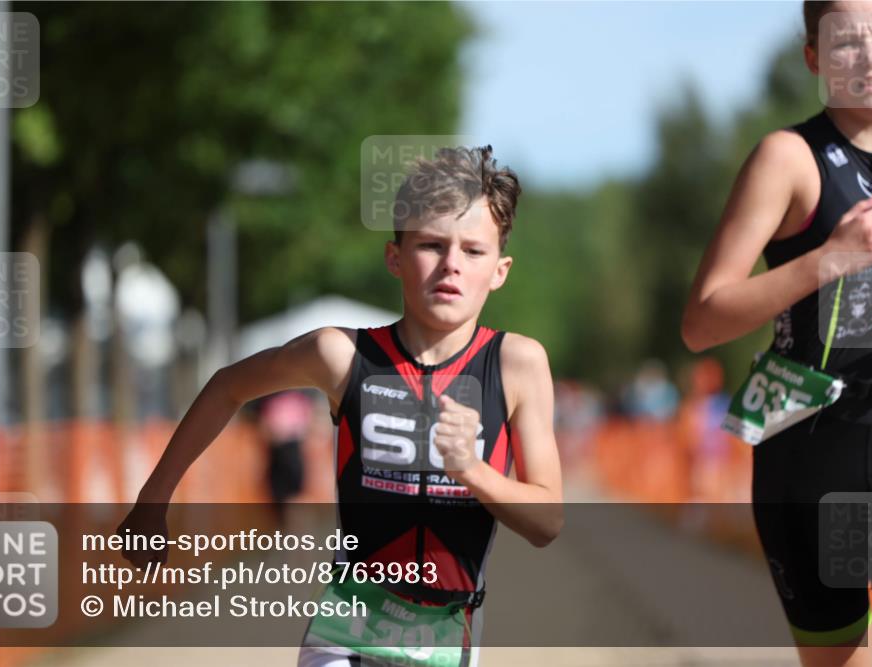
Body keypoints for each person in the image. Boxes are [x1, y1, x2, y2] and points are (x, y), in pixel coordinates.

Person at [118, 145, 563, 667]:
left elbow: (547, 521)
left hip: (447, 633)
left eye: (473, 251)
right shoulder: (343, 354)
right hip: (346, 629)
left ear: (500, 270)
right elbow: (226, 387)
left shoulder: (517, 364)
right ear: (395, 257)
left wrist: (472, 471)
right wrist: (153, 501)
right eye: (431, 245)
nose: (451, 265)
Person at [682, 3, 872, 665]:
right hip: (817, 457)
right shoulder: (789, 158)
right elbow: (702, 320)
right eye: (847, 42)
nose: (871, 55)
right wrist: (830, 257)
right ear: (813, 58)